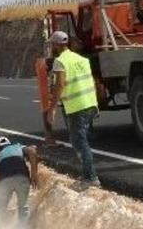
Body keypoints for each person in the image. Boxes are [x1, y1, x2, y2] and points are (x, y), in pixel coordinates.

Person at [47, 30, 100, 187]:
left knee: (79, 142)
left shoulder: (60, 62)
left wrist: (52, 109)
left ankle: (91, 178)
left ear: (57, 45)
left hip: (77, 107)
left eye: (52, 44)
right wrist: (95, 103)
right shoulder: (81, 59)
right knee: (80, 140)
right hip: (89, 104)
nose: (51, 47)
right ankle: (87, 176)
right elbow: (91, 81)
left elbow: (60, 84)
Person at [0, 136, 38, 225]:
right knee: (23, 207)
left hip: (4, 179)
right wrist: (34, 173)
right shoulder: (18, 146)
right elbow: (32, 151)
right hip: (22, 176)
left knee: (1, 207)